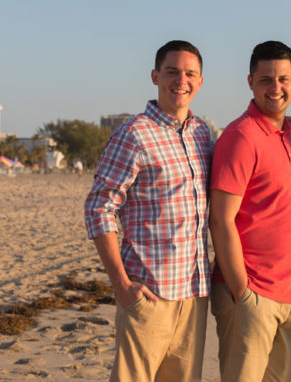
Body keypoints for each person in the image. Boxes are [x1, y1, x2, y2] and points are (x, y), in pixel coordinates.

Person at [84, 40, 211, 382]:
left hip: (195, 294)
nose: (180, 81)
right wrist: (122, 285)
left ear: (200, 81)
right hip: (148, 294)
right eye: (171, 72)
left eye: (189, 74)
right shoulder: (133, 133)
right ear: (155, 76)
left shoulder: (202, 135)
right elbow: (98, 208)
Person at [209, 40, 291, 382]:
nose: (275, 88)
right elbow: (220, 219)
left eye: (283, 79)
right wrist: (242, 292)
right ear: (250, 82)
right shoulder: (241, 136)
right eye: (265, 79)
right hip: (250, 295)